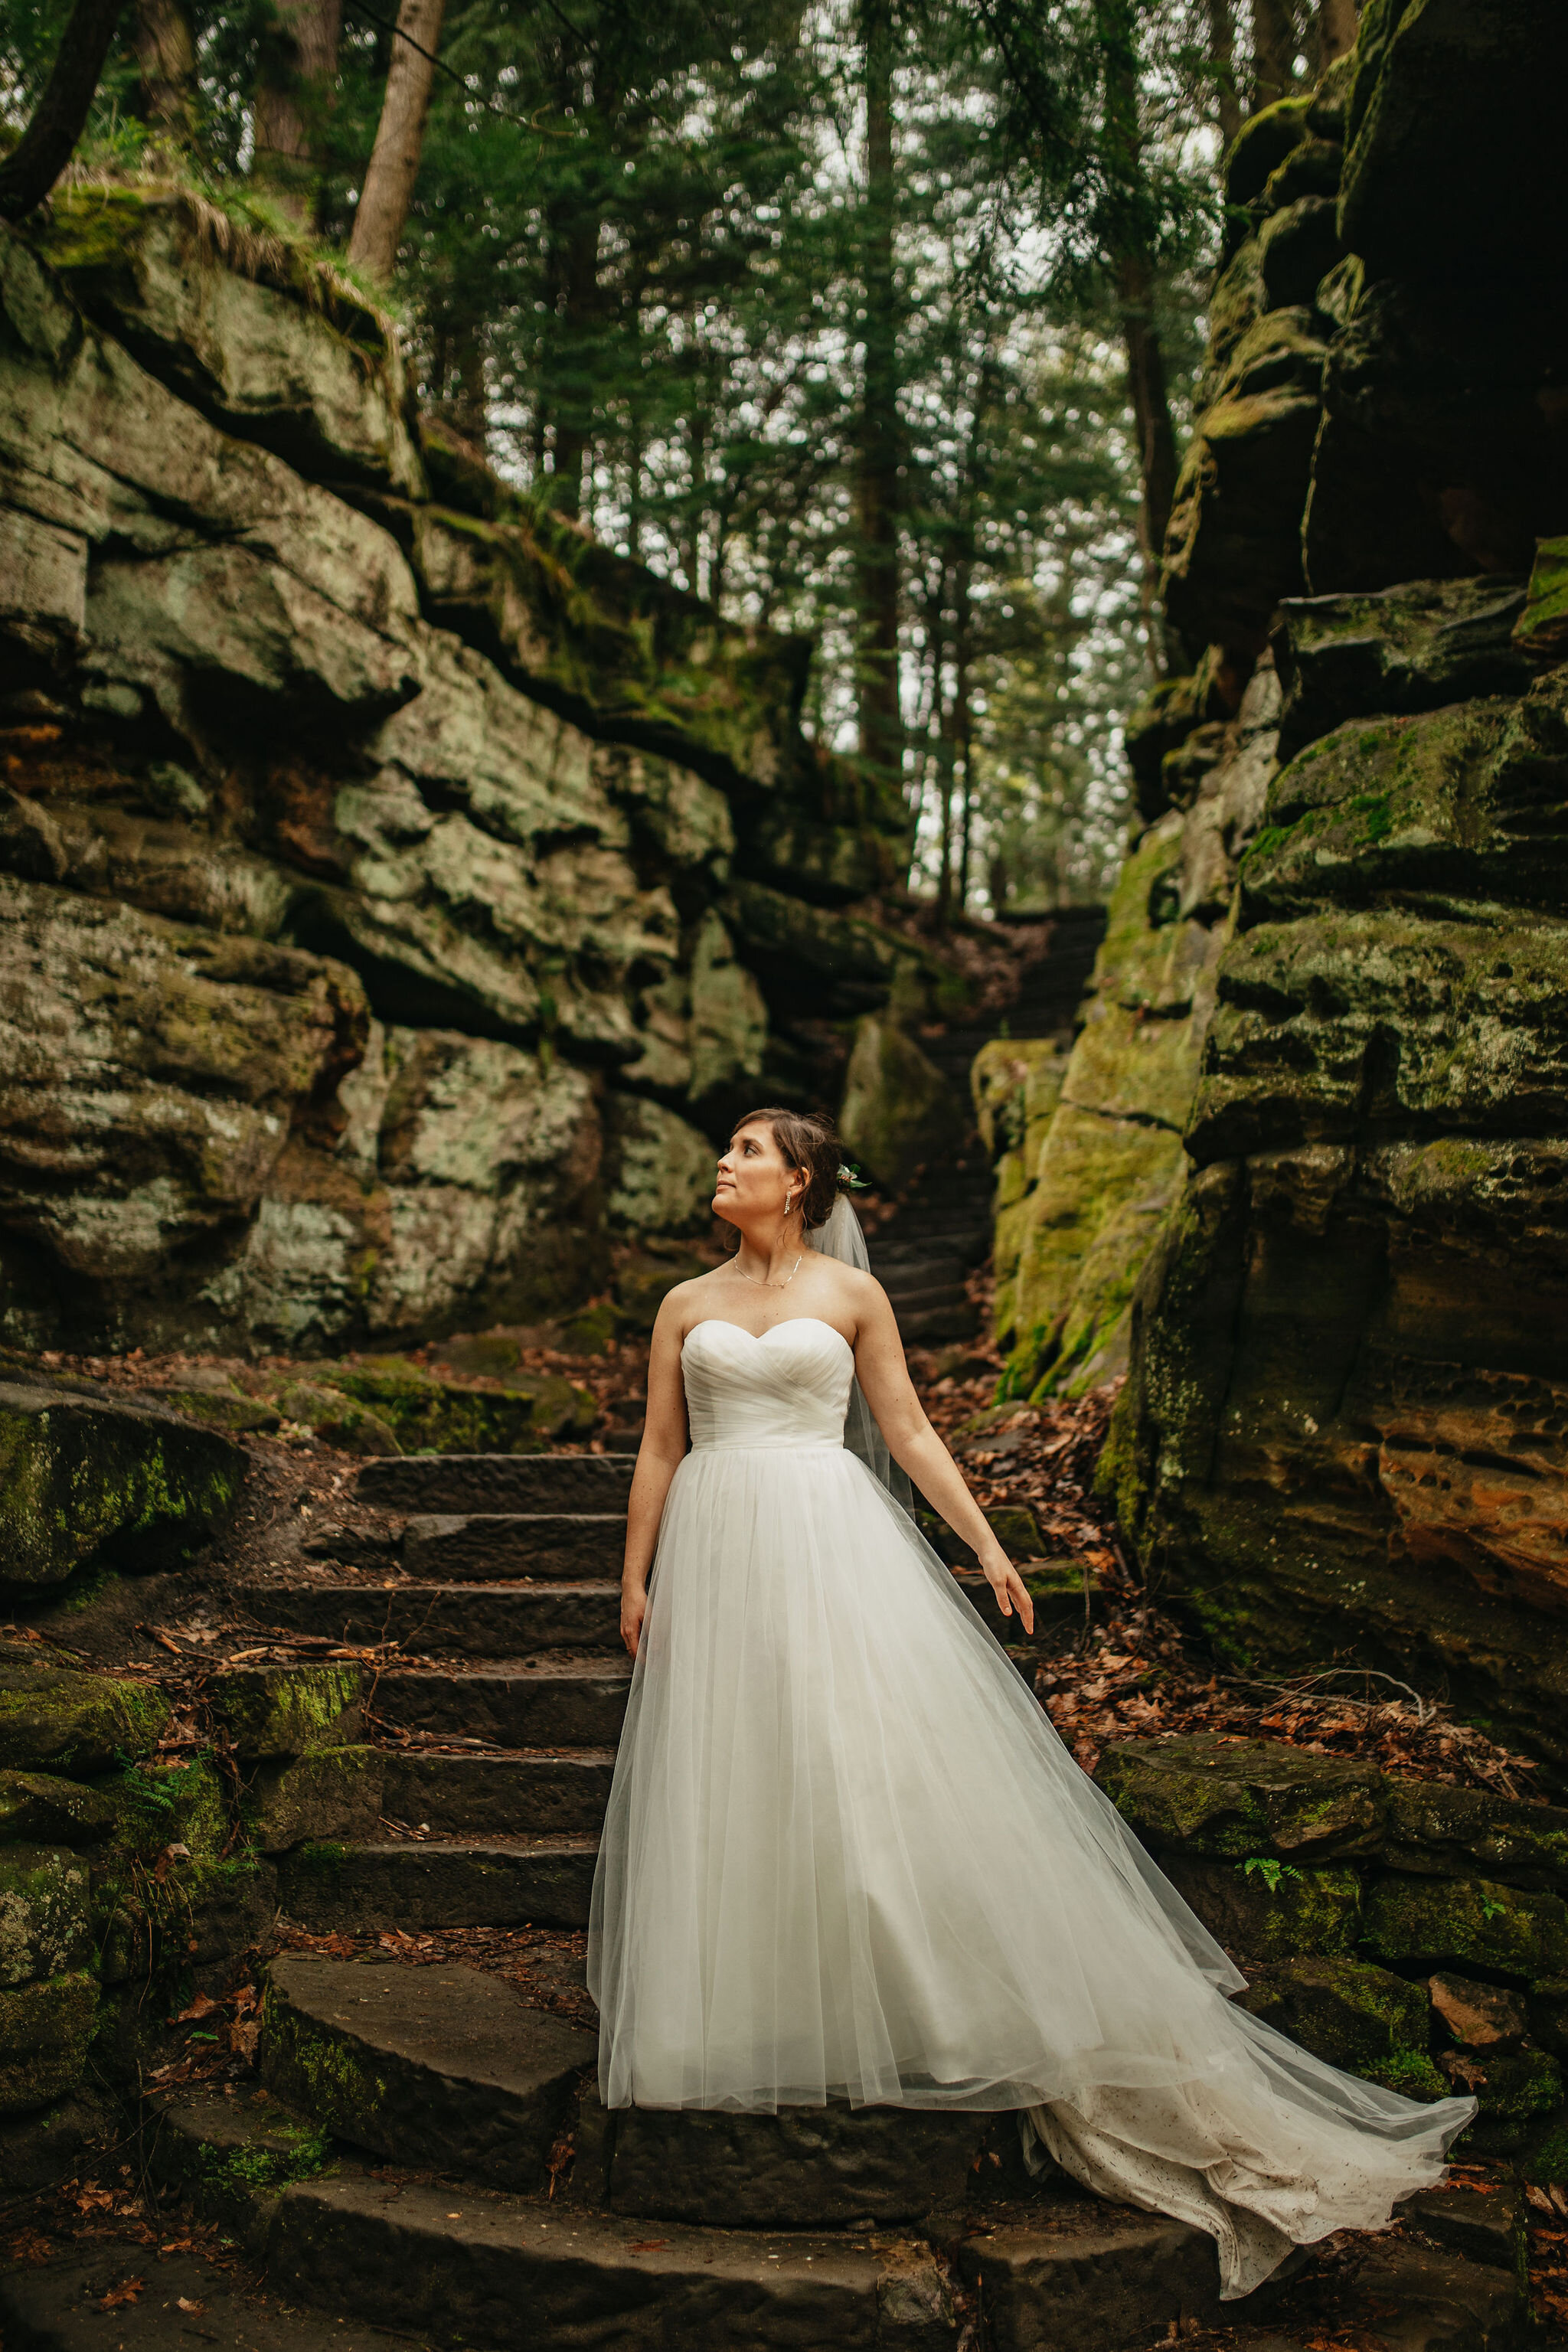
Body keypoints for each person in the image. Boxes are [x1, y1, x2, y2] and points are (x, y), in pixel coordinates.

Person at [586, 1106, 1474, 2299]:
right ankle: (742, 2013)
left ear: (798, 1182)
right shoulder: (682, 1305)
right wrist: (635, 1576)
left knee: (858, 1765)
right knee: (735, 1773)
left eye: (746, 1152)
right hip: (717, 1544)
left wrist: (990, 1548)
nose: (724, 1164)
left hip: (826, 1539)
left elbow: (903, 1430)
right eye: (729, 1150)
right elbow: (657, 1448)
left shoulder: (855, 1299)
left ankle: (921, 2003)